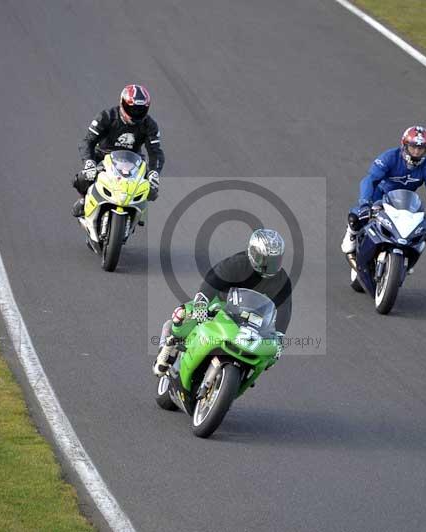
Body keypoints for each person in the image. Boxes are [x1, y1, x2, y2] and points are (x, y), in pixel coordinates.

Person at [153, 228, 292, 376]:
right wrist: (201, 304)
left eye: (274, 260)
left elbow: (284, 308)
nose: (269, 265)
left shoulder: (281, 280)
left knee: (269, 354)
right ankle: (170, 345)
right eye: (263, 259)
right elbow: (212, 280)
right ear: (253, 252)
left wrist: (279, 337)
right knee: (182, 314)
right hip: (221, 303)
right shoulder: (238, 263)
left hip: (252, 318)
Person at [341, 125, 426, 254]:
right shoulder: (389, 157)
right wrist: (365, 203)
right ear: (405, 145)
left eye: (421, 148)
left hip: (405, 203)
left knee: (421, 234)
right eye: (413, 147)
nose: (417, 152)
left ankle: (407, 259)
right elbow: (370, 180)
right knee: (356, 217)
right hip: (380, 196)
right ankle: (351, 233)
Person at [71, 84, 165, 217]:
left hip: (133, 160)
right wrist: (89, 162)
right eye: (131, 109)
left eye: (140, 110)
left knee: (152, 190)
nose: (135, 113)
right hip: (103, 155)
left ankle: (136, 213)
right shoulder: (106, 116)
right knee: (81, 179)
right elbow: (87, 141)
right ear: (122, 103)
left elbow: (156, 152)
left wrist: (154, 172)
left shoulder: (150, 125)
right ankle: (85, 199)